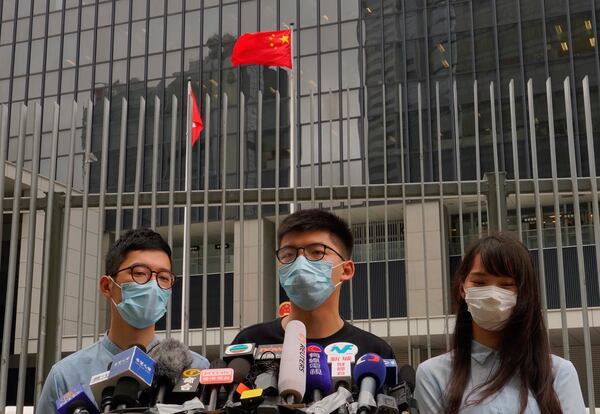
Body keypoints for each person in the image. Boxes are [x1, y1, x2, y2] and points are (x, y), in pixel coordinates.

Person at [38, 228, 209, 412]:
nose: (153, 286)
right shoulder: (66, 376)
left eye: (163, 277)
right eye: (139, 273)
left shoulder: (194, 368)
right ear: (107, 286)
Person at [414, 233, 585, 413]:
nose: (492, 295)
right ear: (462, 289)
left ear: (523, 293)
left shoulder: (558, 373)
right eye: (479, 282)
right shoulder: (432, 374)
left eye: (505, 284)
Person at [232, 208, 395, 360]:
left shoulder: (374, 353)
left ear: (346, 270)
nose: (300, 263)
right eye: (288, 254)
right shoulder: (250, 343)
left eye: (317, 252)